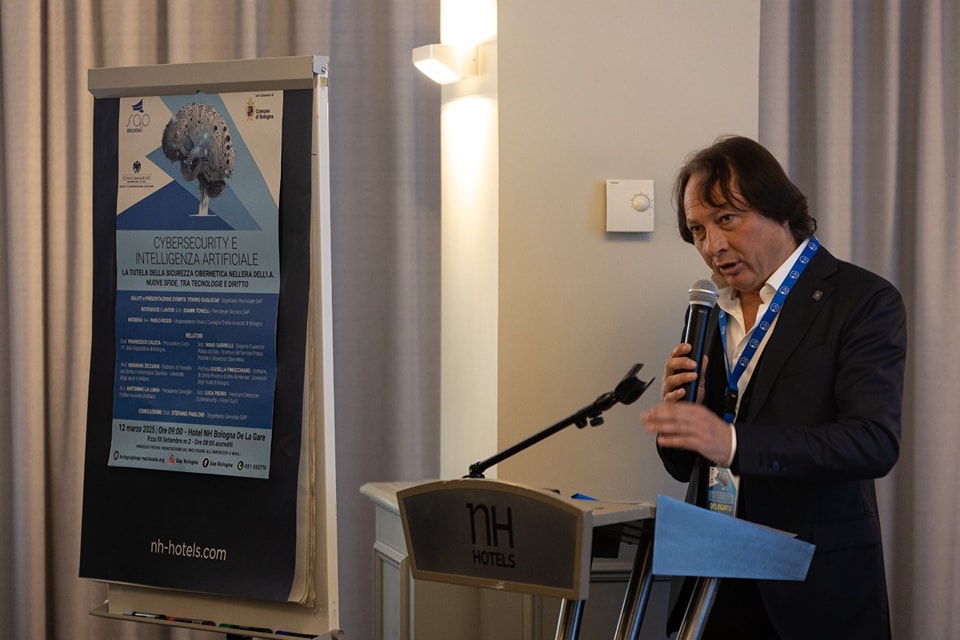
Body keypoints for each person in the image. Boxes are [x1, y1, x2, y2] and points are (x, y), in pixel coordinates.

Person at [641, 135, 906, 639]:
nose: (712, 246)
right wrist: (681, 417)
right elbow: (684, 466)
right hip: (712, 578)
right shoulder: (709, 310)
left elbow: (872, 442)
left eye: (726, 219)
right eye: (697, 230)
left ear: (780, 210)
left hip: (812, 584)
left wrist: (732, 442)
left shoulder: (862, 300)